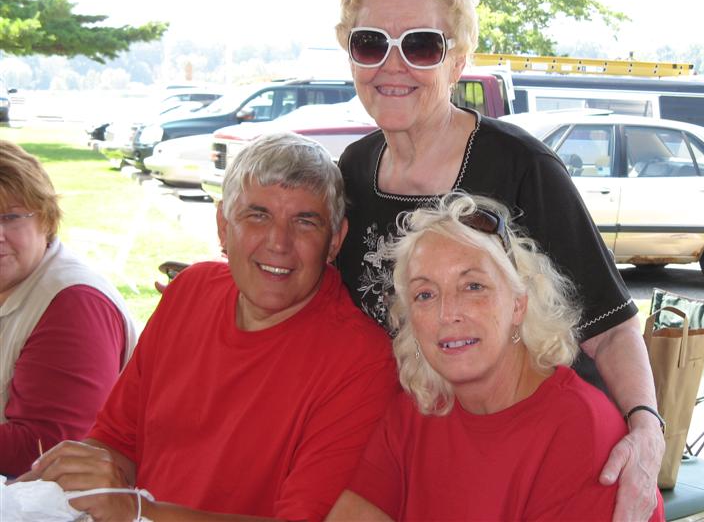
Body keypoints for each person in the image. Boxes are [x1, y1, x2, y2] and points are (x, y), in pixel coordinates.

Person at [334, 0, 664, 520]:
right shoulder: (355, 168)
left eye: (420, 45)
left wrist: (646, 430)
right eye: (370, 43)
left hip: (522, 455)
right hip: (408, 444)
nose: (393, 65)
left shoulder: (519, 168)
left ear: (457, 60)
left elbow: (609, 328)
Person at [20, 132, 399, 521]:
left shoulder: (362, 361)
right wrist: (85, 473)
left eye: (305, 222)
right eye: (257, 215)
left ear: (335, 241)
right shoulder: (189, 292)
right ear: (223, 225)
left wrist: (138, 512)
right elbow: (118, 439)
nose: (278, 243)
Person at [328, 193, 665, 521]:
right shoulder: (418, 411)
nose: (448, 314)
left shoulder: (579, 431)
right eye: (425, 294)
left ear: (519, 303)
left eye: (473, 287)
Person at [0, 140, 137, 477]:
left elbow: (50, 447)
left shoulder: (74, 306)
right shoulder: (15, 279)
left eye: (10, 217)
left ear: (46, 220)